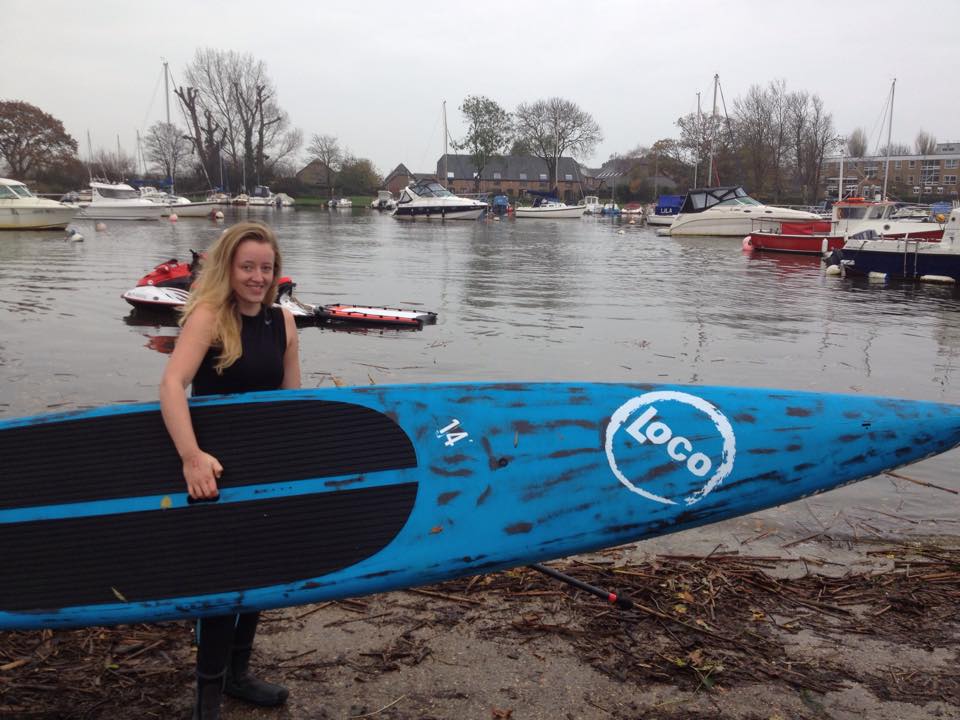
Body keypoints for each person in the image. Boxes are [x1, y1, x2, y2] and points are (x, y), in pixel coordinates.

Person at [159, 221, 301, 720]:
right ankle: (207, 700)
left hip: (264, 466)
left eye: (266, 268)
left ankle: (239, 676)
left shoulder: (283, 322)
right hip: (212, 468)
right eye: (248, 267)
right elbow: (172, 385)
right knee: (221, 583)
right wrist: (191, 455)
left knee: (257, 575)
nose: (258, 277)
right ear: (229, 268)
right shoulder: (207, 317)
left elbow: (292, 405)